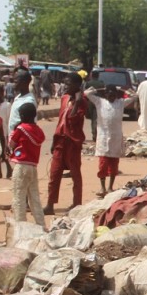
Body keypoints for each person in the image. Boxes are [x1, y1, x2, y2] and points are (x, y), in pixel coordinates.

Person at [44, 72, 88, 215]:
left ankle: (77, 203)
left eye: (68, 83)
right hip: (60, 140)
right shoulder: (64, 98)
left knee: (75, 174)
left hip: (72, 142)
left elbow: (73, 118)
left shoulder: (82, 102)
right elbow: (61, 120)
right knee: (54, 173)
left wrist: (78, 101)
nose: (65, 86)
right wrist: (54, 138)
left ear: (77, 85)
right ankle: (50, 204)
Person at [9, 102, 45, 228]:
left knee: (19, 197)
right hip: (33, 167)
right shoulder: (38, 130)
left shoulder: (20, 129)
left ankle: (21, 227)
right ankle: (41, 225)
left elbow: (11, 144)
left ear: (22, 115)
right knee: (34, 197)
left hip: (21, 166)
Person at [85, 83, 125, 195]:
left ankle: (110, 187)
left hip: (115, 138)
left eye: (113, 94)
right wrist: (99, 88)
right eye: (108, 94)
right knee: (103, 165)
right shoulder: (100, 102)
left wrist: (119, 88)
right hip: (103, 138)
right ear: (105, 94)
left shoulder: (120, 103)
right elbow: (86, 93)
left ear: (116, 95)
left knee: (114, 165)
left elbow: (134, 96)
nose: (111, 96)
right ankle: (102, 188)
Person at [0, 85, 13, 178]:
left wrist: (9, 134)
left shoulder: (7, 105)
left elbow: (9, 120)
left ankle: (9, 168)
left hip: (4, 132)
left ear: (2, 93)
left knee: (2, 152)